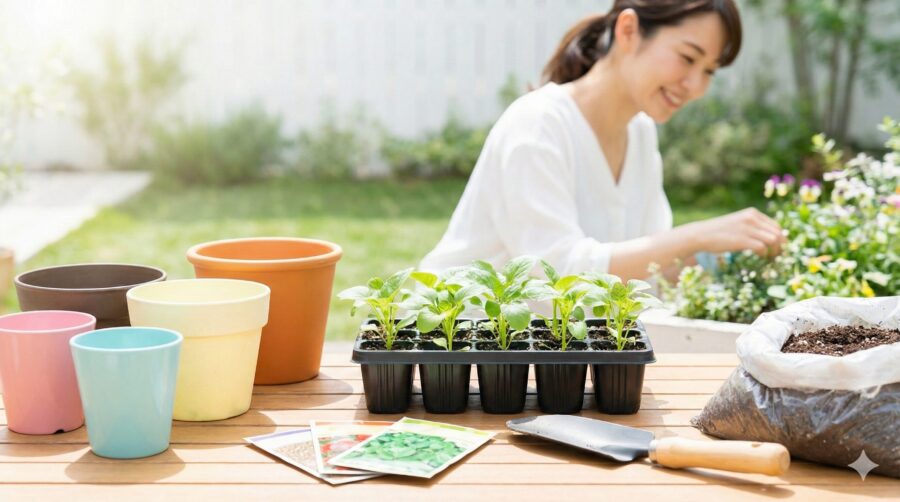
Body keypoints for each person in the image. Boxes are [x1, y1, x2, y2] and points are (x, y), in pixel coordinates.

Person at [420, 0, 784, 281]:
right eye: (687, 58)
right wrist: (697, 236)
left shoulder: (639, 133)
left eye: (709, 71)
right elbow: (558, 274)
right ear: (628, 30)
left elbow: (647, 272)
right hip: (450, 355)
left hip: (553, 361)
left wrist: (727, 254)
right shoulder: (538, 124)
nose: (696, 86)